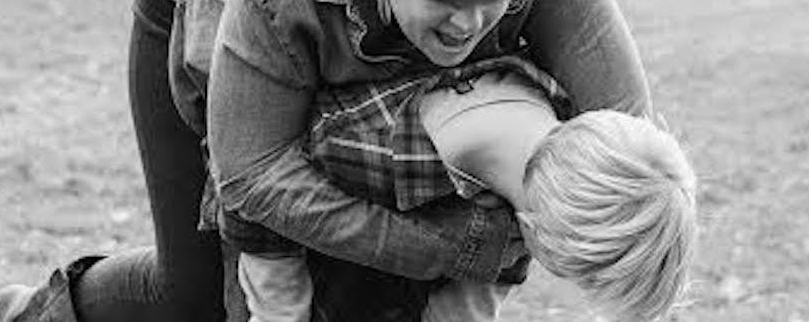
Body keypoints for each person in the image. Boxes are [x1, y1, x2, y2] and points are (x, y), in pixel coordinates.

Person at [0, 0, 654, 320]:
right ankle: (31, 313)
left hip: (380, 81)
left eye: (496, 1)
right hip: (208, 9)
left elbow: (623, 129)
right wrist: (435, 248)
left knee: (372, 292)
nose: (471, 24)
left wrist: (623, 228)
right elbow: (252, 173)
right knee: (200, 297)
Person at [230, 56, 696, 322]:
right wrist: (281, 312)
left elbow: (492, 276)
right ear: (551, 237)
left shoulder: (550, 171)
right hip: (284, 267)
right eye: (573, 271)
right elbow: (250, 185)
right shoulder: (372, 146)